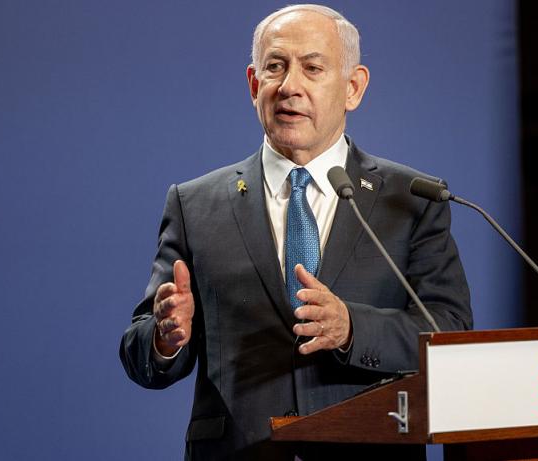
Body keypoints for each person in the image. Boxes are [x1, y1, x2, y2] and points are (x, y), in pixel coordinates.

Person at [119, 4, 472, 460]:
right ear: (254, 85)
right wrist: (166, 339)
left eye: (312, 68)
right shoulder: (195, 204)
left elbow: (448, 334)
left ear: (353, 88)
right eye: (275, 67)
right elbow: (140, 353)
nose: (289, 86)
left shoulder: (411, 199)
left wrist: (352, 328)